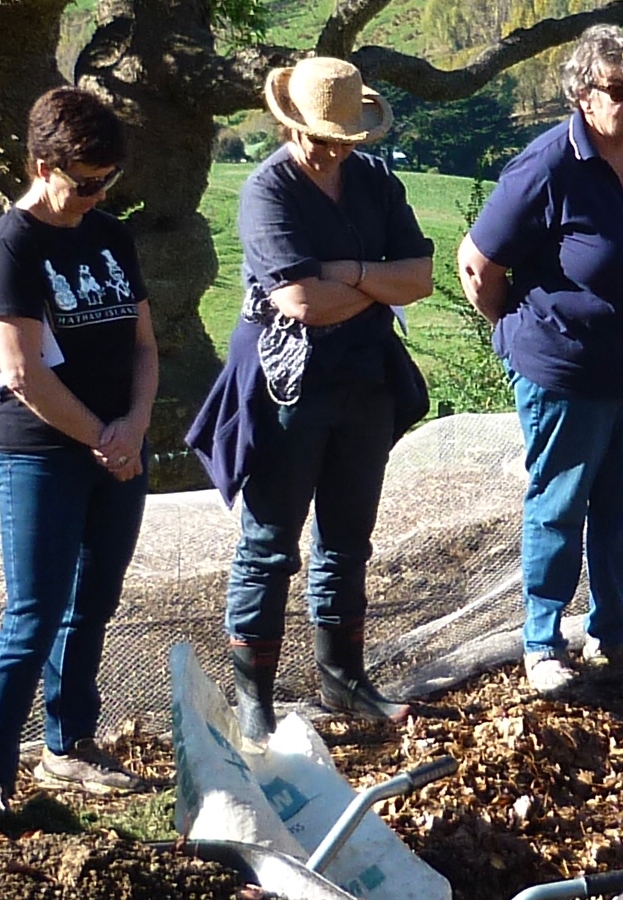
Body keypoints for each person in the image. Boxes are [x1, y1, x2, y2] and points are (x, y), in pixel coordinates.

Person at [462, 26, 623, 695]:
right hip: (568, 374)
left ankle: (614, 632)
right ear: (582, 95)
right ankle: (543, 641)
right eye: (619, 88)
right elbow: (477, 263)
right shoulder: (547, 166)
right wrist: (517, 332)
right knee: (560, 505)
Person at [209, 55, 436, 738]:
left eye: (342, 137)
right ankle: (256, 698)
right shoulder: (266, 192)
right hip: (288, 387)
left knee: (347, 538)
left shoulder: (373, 180)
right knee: (270, 540)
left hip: (365, 379)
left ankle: (343, 679)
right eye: (319, 135)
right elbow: (300, 302)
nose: (331, 148)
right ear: (290, 126)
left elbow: (420, 276)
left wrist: (352, 272)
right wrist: (375, 283)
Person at [0, 87, 158, 834]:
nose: (98, 196)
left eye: (108, 182)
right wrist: (102, 436)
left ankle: (69, 741)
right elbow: (21, 371)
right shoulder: (11, 244)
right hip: (41, 451)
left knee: (93, 602)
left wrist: (134, 424)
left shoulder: (111, 234)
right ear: (44, 166)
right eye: (85, 183)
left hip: (117, 445)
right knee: (32, 615)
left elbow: (142, 342)